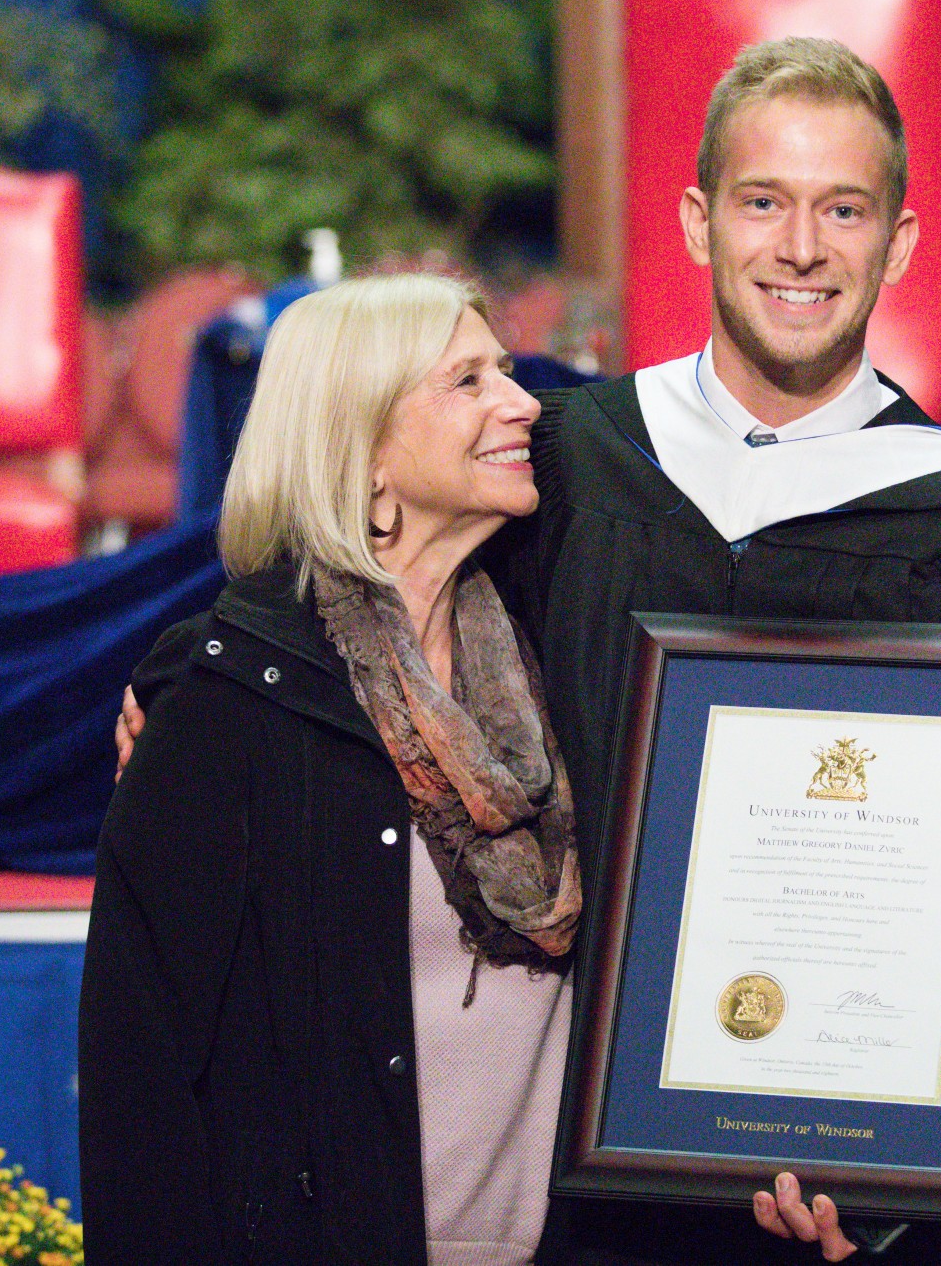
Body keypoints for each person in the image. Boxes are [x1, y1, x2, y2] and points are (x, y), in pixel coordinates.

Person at [117, 40, 941, 1263]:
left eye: (843, 209)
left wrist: (892, 1167)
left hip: (809, 1169)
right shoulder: (571, 458)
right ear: (700, 223)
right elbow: (369, 594)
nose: (801, 248)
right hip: (557, 1171)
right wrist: (184, 679)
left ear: (899, 243)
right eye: (763, 202)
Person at [82, 274, 582, 1265]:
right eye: (467, 380)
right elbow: (142, 1072)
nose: (524, 404)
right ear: (361, 448)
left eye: (509, 372)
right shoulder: (226, 692)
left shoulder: (560, 658)